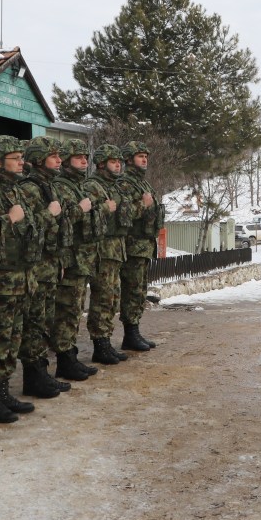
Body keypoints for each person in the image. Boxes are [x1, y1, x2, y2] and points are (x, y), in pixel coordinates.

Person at [0, 136, 41, 417]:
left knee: (12, 338)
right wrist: (10, 219)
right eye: (15, 158)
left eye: (20, 157)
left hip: (19, 276)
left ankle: (3, 392)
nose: (21, 162)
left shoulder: (14, 190)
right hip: (1, 278)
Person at [16, 137, 72, 397]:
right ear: (39, 160)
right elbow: (27, 227)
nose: (59, 160)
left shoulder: (49, 186)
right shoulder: (29, 188)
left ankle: (42, 372)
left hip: (50, 262)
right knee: (35, 322)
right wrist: (49, 213)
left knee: (45, 319)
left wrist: (59, 260)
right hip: (37, 265)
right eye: (54, 157)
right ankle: (34, 376)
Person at [52, 140, 105, 380]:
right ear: (65, 161)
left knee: (74, 309)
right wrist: (81, 209)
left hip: (83, 257)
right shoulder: (61, 186)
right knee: (66, 310)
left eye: (85, 157)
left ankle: (70, 355)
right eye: (78, 157)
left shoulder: (81, 186)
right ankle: (64, 359)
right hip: (71, 258)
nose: (84, 161)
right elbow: (60, 220)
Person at [87, 144, 136, 362]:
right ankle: (100, 344)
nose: (118, 165)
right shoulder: (93, 186)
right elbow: (89, 220)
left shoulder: (115, 187)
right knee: (103, 298)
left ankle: (106, 341)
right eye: (113, 161)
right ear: (100, 164)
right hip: (102, 250)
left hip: (116, 248)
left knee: (113, 297)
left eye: (119, 161)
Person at [118, 141, 163, 351]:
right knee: (132, 290)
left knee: (139, 291)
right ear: (128, 160)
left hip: (145, 245)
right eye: (139, 156)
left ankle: (134, 331)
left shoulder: (144, 184)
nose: (144, 159)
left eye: (145, 156)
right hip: (132, 246)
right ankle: (130, 333)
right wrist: (142, 205)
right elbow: (123, 215)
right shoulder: (125, 184)